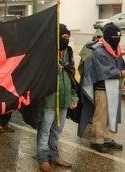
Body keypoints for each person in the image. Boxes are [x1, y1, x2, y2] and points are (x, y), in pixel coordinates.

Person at [37, 24, 78, 172]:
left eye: (68, 37)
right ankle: (43, 158)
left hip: (64, 98)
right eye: (64, 37)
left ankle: (54, 156)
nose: (66, 40)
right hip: (49, 99)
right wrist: (52, 69)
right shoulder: (47, 52)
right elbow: (39, 74)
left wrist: (74, 96)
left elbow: (72, 75)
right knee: (45, 129)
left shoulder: (69, 52)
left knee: (57, 130)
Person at [78, 23, 124, 153]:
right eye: (115, 37)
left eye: (119, 37)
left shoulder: (116, 50)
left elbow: (121, 64)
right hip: (101, 87)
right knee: (101, 115)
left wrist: (121, 73)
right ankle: (97, 140)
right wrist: (120, 73)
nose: (117, 39)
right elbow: (105, 70)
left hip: (114, 86)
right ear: (108, 38)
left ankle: (109, 138)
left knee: (112, 115)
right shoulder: (99, 50)